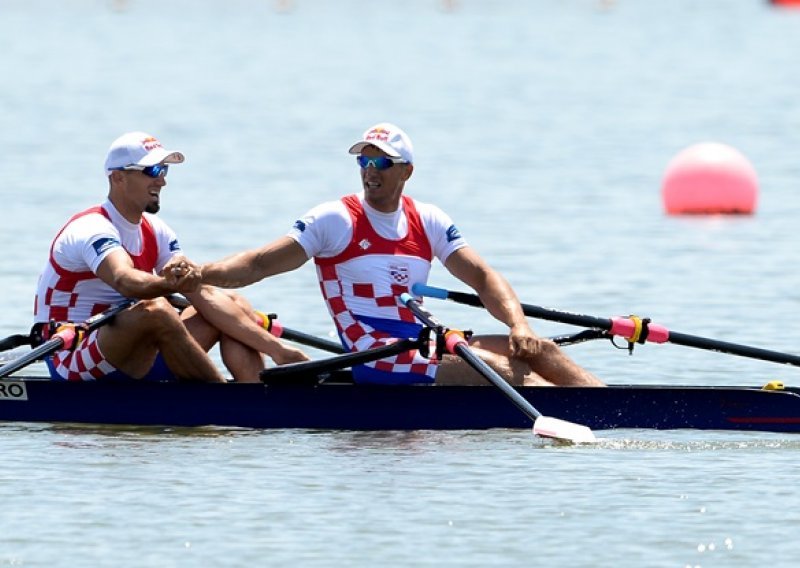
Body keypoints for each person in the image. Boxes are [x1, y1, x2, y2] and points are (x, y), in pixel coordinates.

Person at [201, 123, 604, 387]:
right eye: (364, 160)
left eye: (380, 161)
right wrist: (200, 275)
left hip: (423, 345)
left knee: (541, 351)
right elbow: (258, 263)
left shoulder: (427, 219)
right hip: (376, 356)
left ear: (406, 171)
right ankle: (591, 422)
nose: (369, 169)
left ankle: (611, 408)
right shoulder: (334, 219)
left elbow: (482, 278)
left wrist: (520, 326)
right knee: (512, 374)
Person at [33, 131, 307, 383]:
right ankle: (223, 403)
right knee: (157, 311)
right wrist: (172, 284)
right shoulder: (91, 228)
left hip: (130, 353)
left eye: (163, 170)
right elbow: (125, 280)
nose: (162, 179)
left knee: (232, 303)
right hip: (72, 358)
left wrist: (277, 349)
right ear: (118, 177)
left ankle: (257, 395)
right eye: (152, 170)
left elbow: (202, 294)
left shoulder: (157, 231)